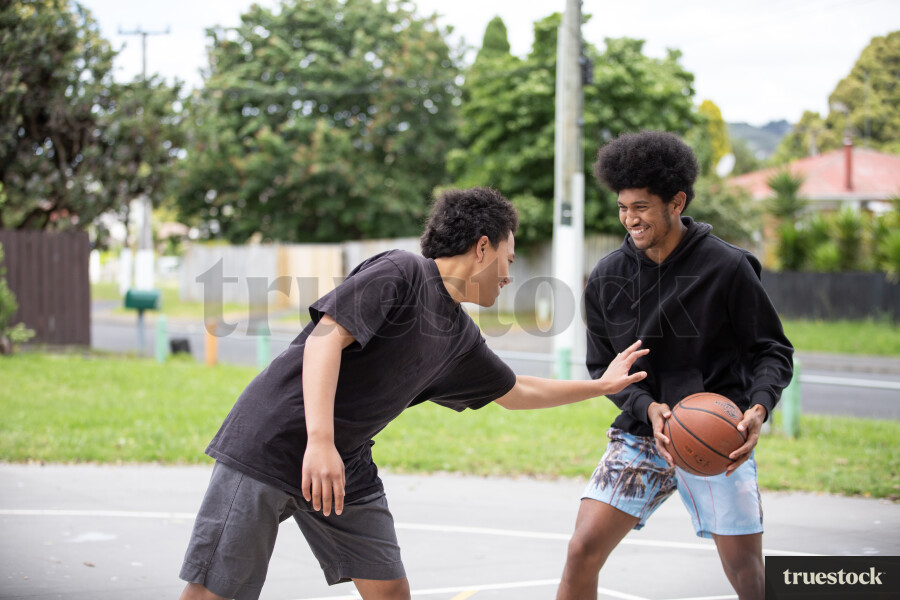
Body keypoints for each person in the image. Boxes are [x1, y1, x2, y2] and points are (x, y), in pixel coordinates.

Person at [178, 187, 649, 600]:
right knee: (214, 591)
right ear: (482, 248)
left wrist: (601, 386)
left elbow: (516, 389)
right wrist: (319, 442)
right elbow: (325, 339)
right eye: (508, 259)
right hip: (275, 441)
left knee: (389, 590)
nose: (509, 275)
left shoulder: (459, 335)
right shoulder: (402, 272)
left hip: (346, 462)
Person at [555, 132, 794, 600]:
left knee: (747, 573)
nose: (630, 218)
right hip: (642, 434)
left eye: (641, 207)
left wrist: (759, 408)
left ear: (676, 202)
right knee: (581, 550)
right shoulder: (607, 277)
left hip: (716, 434)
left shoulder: (728, 267)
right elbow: (604, 367)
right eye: (623, 208)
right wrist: (647, 408)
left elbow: (772, 350)